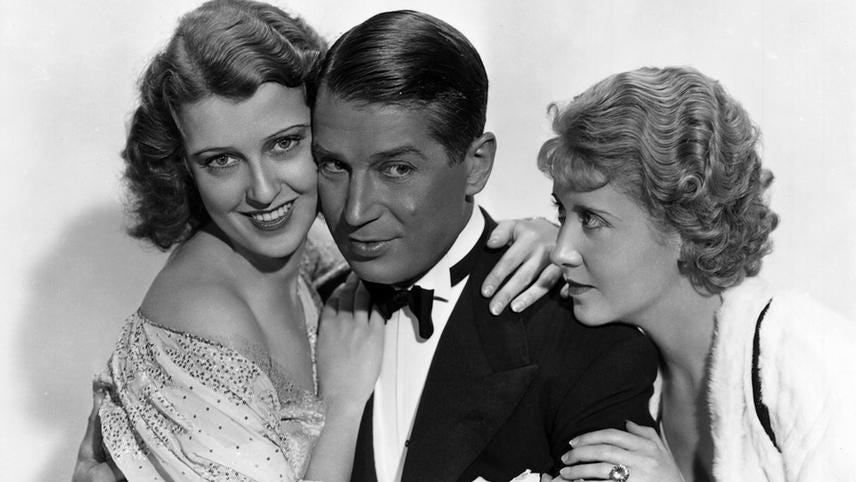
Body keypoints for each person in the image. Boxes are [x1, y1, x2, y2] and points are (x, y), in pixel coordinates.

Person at [72, 2, 564, 481]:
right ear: (184, 167)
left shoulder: (312, 261)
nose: (263, 191)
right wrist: (343, 404)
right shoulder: (202, 319)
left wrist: (548, 237)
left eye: (284, 143)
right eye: (221, 160)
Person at [309, 10, 659, 482]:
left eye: (396, 169)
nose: (354, 212)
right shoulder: (311, 310)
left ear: (476, 165)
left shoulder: (587, 341)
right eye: (333, 166)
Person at [540, 66, 856, 481]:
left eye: (592, 220)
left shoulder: (806, 353)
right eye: (561, 213)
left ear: (682, 226)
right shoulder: (620, 366)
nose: (562, 251)